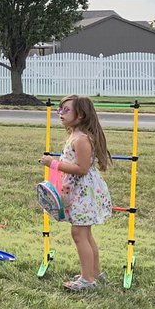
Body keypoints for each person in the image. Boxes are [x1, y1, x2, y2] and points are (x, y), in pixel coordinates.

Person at [43, 95, 113, 292]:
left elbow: (81, 169)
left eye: (66, 110)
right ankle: (95, 272)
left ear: (80, 115)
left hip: (84, 193)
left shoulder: (81, 139)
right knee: (85, 233)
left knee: (79, 233)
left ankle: (87, 280)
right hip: (79, 193)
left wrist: (54, 164)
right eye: (60, 109)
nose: (60, 114)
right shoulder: (75, 135)